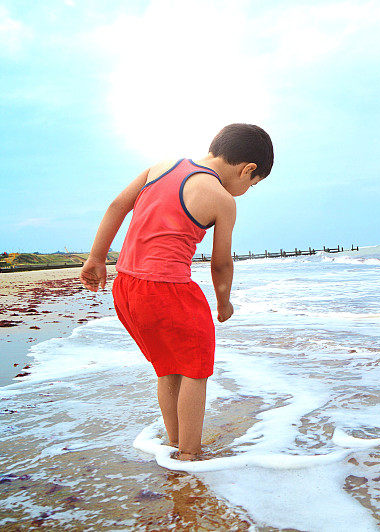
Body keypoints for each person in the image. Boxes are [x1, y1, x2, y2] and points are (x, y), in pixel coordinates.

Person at [79, 123, 274, 461]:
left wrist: (96, 258)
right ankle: (189, 452)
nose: (247, 189)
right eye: (252, 185)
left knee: (167, 366)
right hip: (168, 290)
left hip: (126, 287)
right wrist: (223, 302)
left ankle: (174, 441)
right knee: (195, 369)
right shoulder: (222, 199)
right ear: (248, 170)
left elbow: (117, 205)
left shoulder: (162, 166)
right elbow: (220, 264)